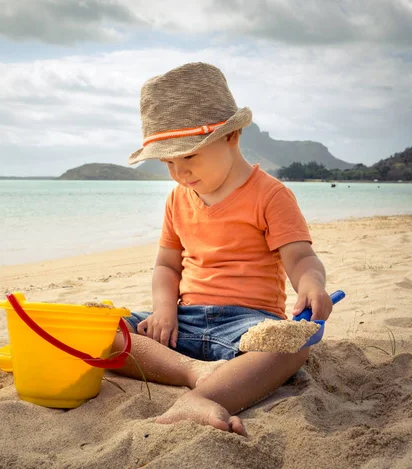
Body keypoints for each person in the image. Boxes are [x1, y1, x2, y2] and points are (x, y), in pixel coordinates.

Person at [111, 62, 333, 437]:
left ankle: (203, 396)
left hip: (248, 325)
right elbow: (167, 266)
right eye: (169, 162)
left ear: (231, 136)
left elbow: (300, 257)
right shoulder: (177, 200)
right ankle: (195, 372)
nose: (180, 173)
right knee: (102, 333)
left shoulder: (271, 195)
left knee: (294, 346)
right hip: (185, 322)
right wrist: (165, 310)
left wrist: (311, 283)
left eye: (190, 157)